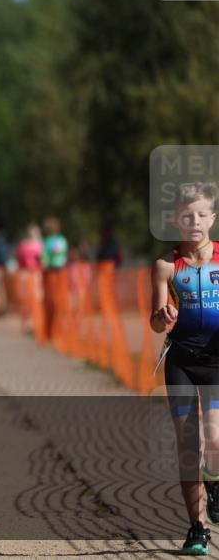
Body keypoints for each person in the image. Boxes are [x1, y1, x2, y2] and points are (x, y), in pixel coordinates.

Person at [149, 182, 219, 556]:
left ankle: (216, 481)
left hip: (217, 362)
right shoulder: (165, 265)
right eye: (186, 215)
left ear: (212, 218)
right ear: (175, 220)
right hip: (181, 362)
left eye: (201, 215)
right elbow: (156, 321)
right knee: (189, 445)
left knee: (217, 439)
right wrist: (163, 316)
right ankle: (198, 528)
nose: (194, 221)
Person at [16, 224, 44, 333]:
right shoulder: (39, 246)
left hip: (25, 274)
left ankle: (26, 324)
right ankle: (34, 323)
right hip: (35, 274)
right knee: (36, 299)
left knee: (26, 300)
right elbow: (43, 260)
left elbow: (19, 259)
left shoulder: (23, 245)